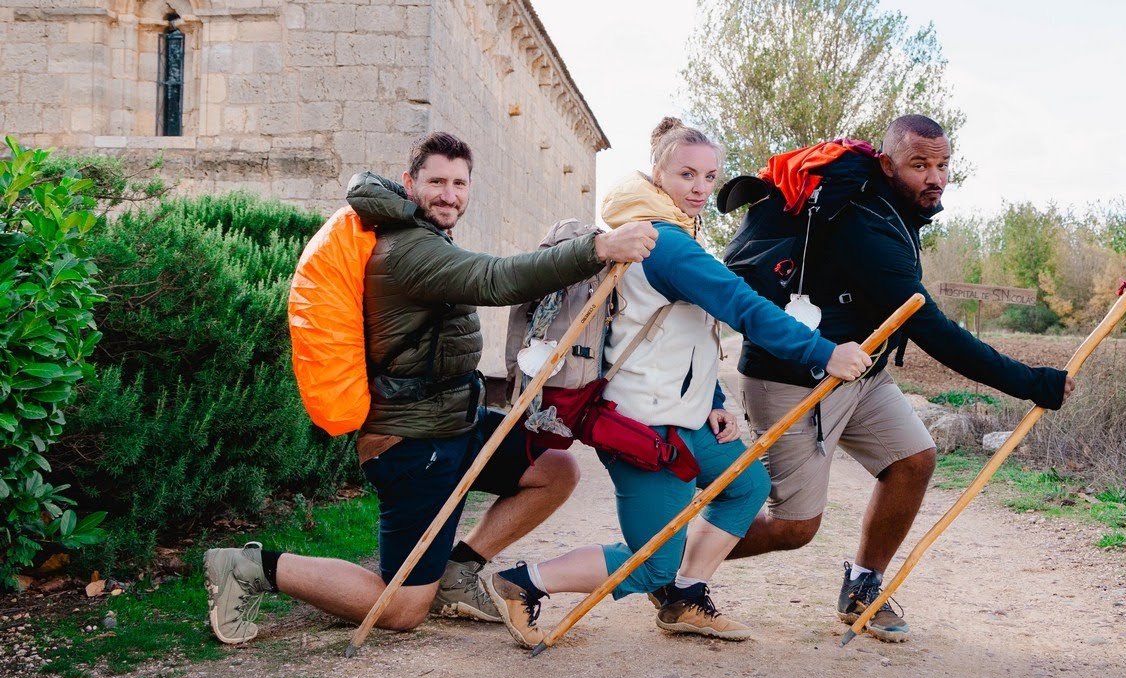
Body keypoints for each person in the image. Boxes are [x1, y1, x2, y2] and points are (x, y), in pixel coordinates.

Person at [202, 132, 658, 644]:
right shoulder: (406, 250)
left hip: (455, 426)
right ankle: (249, 566)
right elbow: (495, 279)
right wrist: (597, 248)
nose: (449, 194)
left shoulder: (424, 235)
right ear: (409, 183)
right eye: (436, 181)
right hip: (412, 443)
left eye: (459, 183)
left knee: (555, 470)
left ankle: (455, 573)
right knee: (398, 609)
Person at [481, 118, 874, 649]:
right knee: (649, 565)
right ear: (658, 173)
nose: (699, 188)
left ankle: (686, 597)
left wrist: (712, 398)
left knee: (747, 485)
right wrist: (825, 353)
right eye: (686, 174)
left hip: (683, 414)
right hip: (642, 424)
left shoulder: (666, 232)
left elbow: (678, 333)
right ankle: (523, 583)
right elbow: (742, 308)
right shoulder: (664, 242)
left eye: (710, 176)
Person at [727, 114, 1075, 642]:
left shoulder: (893, 208)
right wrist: (1031, 382)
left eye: (942, 165)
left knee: (913, 460)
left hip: (862, 372)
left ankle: (863, 585)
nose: (934, 177)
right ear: (887, 165)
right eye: (919, 165)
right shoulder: (866, 224)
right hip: (796, 379)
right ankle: (664, 563)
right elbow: (931, 328)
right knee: (794, 527)